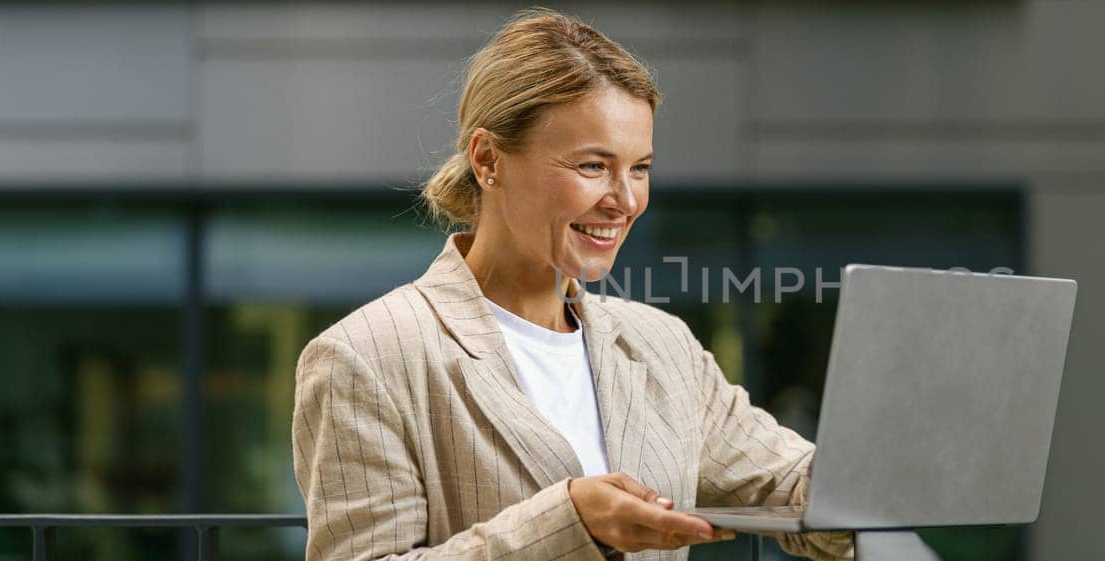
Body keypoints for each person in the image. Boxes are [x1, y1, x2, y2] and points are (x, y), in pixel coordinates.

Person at [290, 7, 853, 561]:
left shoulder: (663, 346)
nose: (626, 200)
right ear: (488, 160)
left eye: (640, 168)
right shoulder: (363, 358)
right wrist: (571, 523)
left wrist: (900, 461)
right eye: (592, 167)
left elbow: (799, 488)